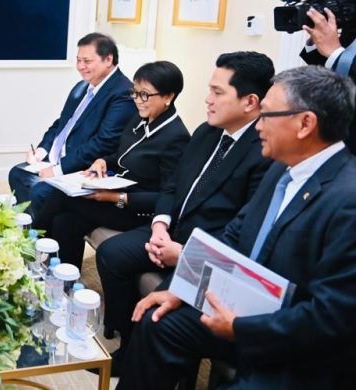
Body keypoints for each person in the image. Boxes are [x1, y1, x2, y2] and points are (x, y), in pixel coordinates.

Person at [119, 66, 356, 389]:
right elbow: (234, 235)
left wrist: (242, 328)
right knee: (158, 322)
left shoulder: (347, 198)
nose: (258, 125)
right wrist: (181, 289)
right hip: (246, 312)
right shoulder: (281, 170)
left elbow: (332, 317)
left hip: (298, 349)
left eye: (267, 115)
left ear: (305, 124)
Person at [96, 51, 274, 371]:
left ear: (250, 102)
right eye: (210, 89)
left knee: (159, 317)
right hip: (170, 232)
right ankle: (126, 339)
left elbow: (243, 227)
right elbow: (173, 185)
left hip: (207, 253)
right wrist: (160, 226)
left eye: (217, 92)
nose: (207, 100)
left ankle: (141, 356)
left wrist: (184, 254)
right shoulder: (207, 132)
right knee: (111, 254)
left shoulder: (264, 153)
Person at [47, 61, 190, 267]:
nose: (138, 100)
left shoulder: (176, 137)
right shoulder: (140, 118)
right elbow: (123, 154)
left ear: (169, 96)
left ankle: (24, 246)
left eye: (145, 95)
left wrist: (115, 197)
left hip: (137, 211)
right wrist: (102, 161)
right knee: (64, 222)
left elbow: (167, 196)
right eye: (135, 92)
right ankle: (63, 282)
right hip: (115, 196)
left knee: (62, 196)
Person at [8, 33, 136, 222]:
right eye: (78, 60)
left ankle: (40, 237)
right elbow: (61, 123)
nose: (80, 67)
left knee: (40, 191)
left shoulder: (122, 93)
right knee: (18, 174)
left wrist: (58, 170)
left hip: (82, 168)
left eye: (87, 61)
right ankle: (31, 231)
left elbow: (103, 143)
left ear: (108, 59)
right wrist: (42, 151)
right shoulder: (82, 87)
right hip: (56, 160)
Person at [299, 6, 356, 153]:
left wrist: (335, 53)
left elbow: (338, 55)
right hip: (333, 124)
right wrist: (317, 41)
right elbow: (333, 67)